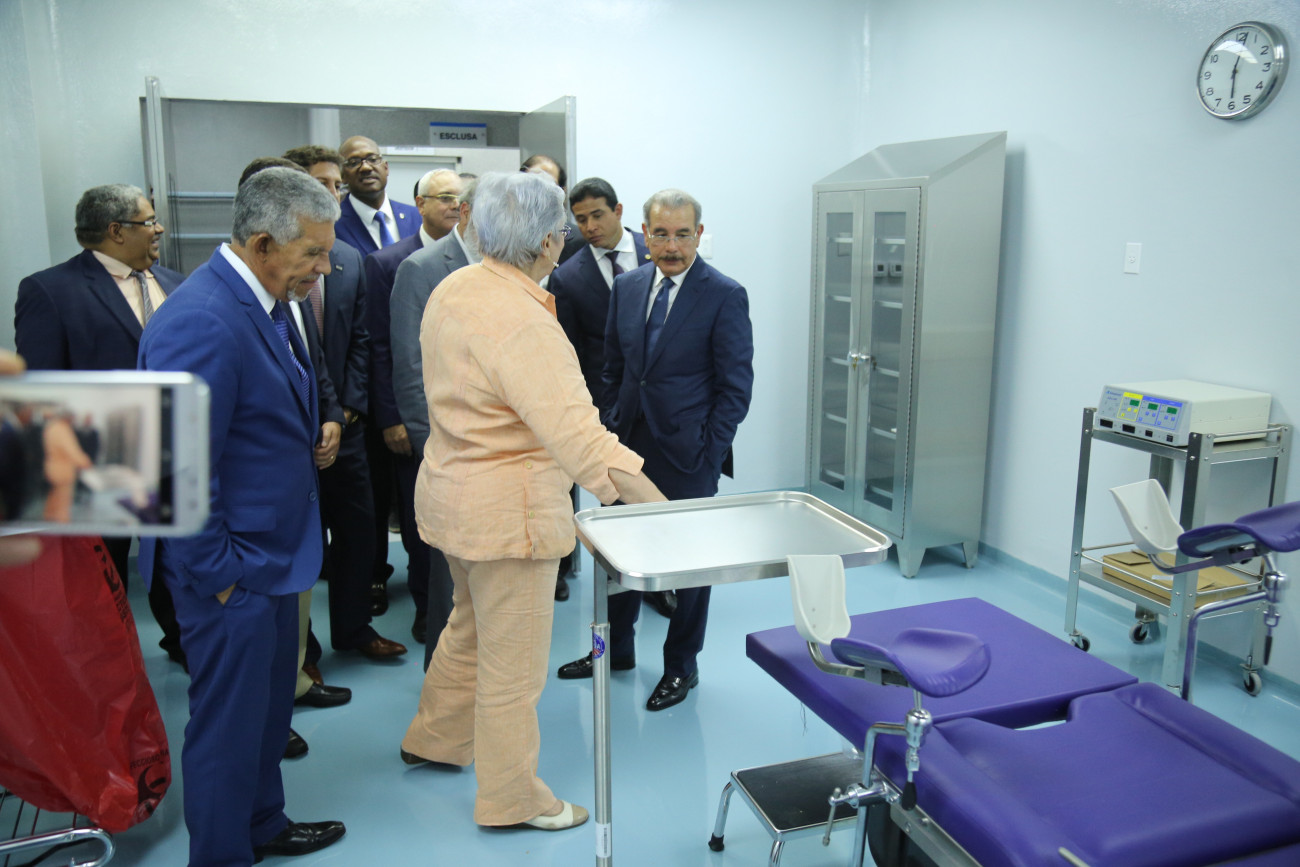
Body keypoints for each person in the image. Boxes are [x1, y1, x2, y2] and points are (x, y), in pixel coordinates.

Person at [398, 171, 665, 831]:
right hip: (508, 521)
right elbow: (583, 439)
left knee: (466, 628)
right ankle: (512, 797)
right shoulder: (523, 321)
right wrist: (663, 512)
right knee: (513, 670)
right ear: (549, 241)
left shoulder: (456, 288)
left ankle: (436, 736)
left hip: (452, 502)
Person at [137, 167, 347, 866]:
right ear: (262, 243)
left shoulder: (264, 302)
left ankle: (262, 822)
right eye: (313, 253)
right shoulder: (201, 319)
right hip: (231, 568)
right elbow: (175, 470)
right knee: (228, 725)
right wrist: (221, 576)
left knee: (265, 713)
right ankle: (221, 853)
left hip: (272, 556)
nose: (323, 268)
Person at [557, 189, 754, 712]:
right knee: (615, 556)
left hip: (690, 455)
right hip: (626, 450)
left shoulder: (724, 295)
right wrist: (609, 428)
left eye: (683, 235)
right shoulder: (628, 286)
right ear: (644, 234)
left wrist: (708, 453)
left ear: (699, 235)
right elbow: (614, 369)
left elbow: (736, 389)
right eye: (661, 234)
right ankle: (614, 651)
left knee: (691, 567)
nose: (672, 246)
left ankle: (681, 666)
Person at [14, 183, 186, 662]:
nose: (159, 229)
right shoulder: (50, 291)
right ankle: (112, 661)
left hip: (177, 452)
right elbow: (41, 388)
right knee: (104, 570)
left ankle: (185, 643)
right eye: (149, 221)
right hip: (101, 464)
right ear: (116, 231)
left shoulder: (176, 284)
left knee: (179, 561)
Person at [282, 147, 408, 664]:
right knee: (301, 542)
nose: (333, 193)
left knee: (359, 531)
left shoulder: (349, 259)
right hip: (294, 431)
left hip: (346, 427)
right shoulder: (277, 263)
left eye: (336, 185)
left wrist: (346, 411)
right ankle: (301, 651)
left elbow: (361, 340)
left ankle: (355, 628)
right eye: (322, 185)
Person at [365, 169, 467, 634]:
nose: (453, 205)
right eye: (443, 197)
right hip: (414, 416)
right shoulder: (392, 263)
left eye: (459, 198)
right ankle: (427, 605)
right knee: (417, 514)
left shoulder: (482, 260)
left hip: (462, 419)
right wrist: (393, 417)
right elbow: (384, 347)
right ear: (419, 204)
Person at [547, 177, 654, 604]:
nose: (590, 226)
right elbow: (567, 353)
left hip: (661, 407)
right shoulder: (568, 276)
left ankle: (661, 581)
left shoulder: (656, 250)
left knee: (653, 494)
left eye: (597, 215)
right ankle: (598, 578)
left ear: (618, 211)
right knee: (607, 500)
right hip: (602, 406)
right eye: (580, 219)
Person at [389, 177, 479, 665]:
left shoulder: (505, 265)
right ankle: (443, 685)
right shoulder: (420, 268)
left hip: (488, 453)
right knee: (446, 584)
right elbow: (408, 364)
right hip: (445, 448)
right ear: (467, 213)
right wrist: (431, 445)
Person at [333, 135, 421, 256]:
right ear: (342, 175)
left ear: (386, 167)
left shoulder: (417, 216)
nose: (366, 167)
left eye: (373, 159)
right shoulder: (333, 224)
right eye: (354, 163)